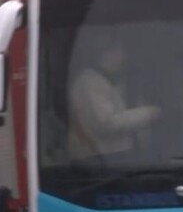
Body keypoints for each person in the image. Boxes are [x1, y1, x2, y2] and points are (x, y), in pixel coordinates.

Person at [67, 32, 161, 164]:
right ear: (107, 53)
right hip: (98, 160)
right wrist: (148, 113)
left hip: (115, 156)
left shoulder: (111, 80)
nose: (124, 58)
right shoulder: (89, 82)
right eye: (121, 52)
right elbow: (106, 123)